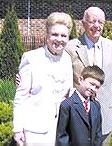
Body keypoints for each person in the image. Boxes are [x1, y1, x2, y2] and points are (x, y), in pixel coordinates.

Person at [65, 7, 112, 146]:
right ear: (84, 23)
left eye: (100, 22)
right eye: (92, 21)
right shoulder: (70, 47)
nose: (97, 25)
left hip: (105, 115)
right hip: (78, 114)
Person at [13, 12, 73, 146]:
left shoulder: (68, 59)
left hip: (61, 129)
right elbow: (21, 97)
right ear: (47, 36)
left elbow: (68, 92)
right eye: (54, 34)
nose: (59, 39)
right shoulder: (31, 58)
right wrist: (17, 130)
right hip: (35, 131)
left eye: (63, 35)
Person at [56, 65, 105, 146]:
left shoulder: (96, 106)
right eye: (91, 84)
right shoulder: (67, 105)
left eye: (97, 87)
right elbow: (62, 136)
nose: (93, 88)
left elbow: (98, 133)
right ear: (81, 80)